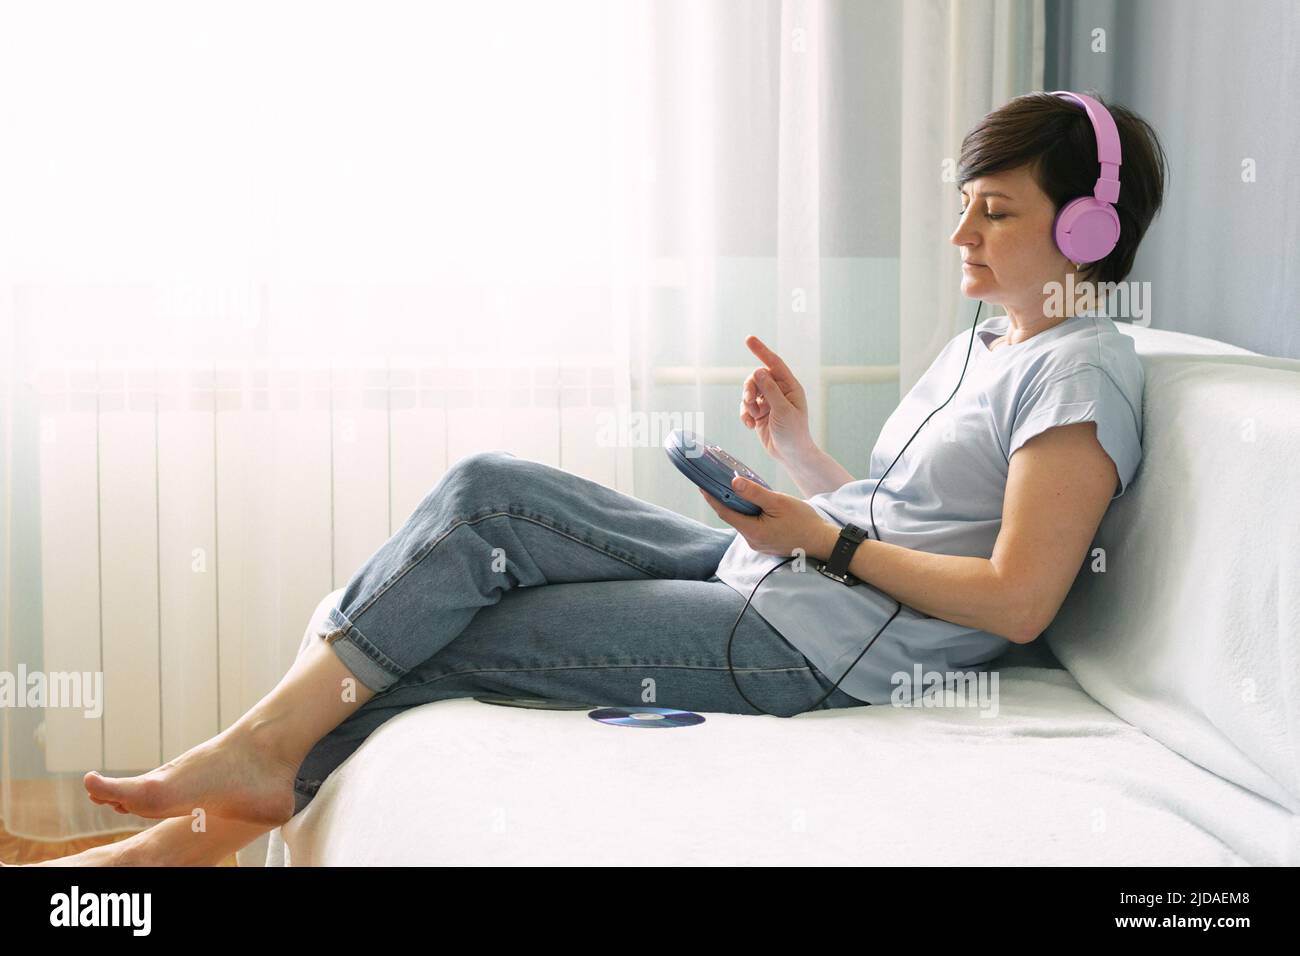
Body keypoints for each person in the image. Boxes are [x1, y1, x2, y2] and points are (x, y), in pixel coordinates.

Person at [9, 91, 1166, 866]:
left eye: (995, 208)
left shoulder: (1082, 376)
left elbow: (1017, 596)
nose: (961, 230)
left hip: (805, 647)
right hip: (786, 575)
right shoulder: (993, 342)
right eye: (963, 200)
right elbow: (915, 519)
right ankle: (247, 766)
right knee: (485, 492)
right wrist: (804, 464)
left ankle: (175, 843)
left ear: (1085, 230)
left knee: (445, 635)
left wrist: (822, 539)